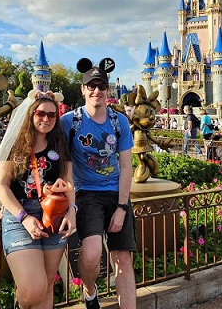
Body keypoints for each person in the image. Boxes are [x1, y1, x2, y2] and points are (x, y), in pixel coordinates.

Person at [61, 64, 136, 309]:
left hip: (116, 193)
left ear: (107, 90)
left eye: (101, 86)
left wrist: (122, 207)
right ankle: (90, 290)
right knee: (92, 254)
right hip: (87, 194)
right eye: (91, 86)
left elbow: (126, 166)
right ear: (83, 89)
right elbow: (57, 160)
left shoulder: (119, 121)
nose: (97, 91)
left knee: (123, 259)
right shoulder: (69, 122)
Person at [0, 90, 76, 309]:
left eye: (51, 115)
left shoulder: (59, 144)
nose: (46, 119)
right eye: (40, 113)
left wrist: (72, 211)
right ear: (30, 114)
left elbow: (69, 182)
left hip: (53, 214)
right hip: (21, 214)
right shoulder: (15, 144)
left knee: (47, 285)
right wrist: (23, 217)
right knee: (33, 289)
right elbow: (0, 185)